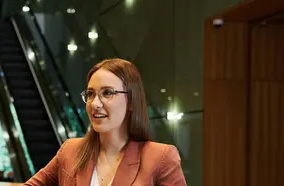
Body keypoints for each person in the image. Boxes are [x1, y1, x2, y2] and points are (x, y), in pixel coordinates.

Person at [25, 59, 186, 186]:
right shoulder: (70, 150)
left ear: (131, 100)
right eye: (90, 94)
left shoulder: (161, 158)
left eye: (107, 93)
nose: (95, 104)